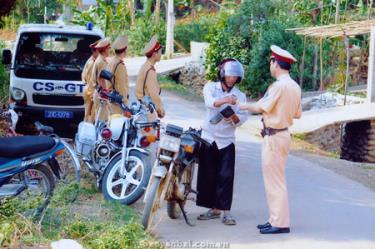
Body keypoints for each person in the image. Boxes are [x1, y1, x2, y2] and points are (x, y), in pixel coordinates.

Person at [240, 45, 302, 234]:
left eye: (271, 61)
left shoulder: (279, 86)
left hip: (274, 136)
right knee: (274, 179)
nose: (270, 65)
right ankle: (274, 218)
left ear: (275, 63)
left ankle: (280, 223)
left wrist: (241, 105)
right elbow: (298, 114)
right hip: (282, 134)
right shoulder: (294, 86)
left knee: (275, 181)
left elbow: (261, 106)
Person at [196, 59, 248, 226]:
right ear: (222, 74)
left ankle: (226, 212)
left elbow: (242, 119)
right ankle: (213, 209)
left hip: (227, 140)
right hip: (208, 137)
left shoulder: (240, 96)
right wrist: (226, 100)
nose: (232, 78)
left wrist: (233, 117)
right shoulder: (210, 87)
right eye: (230, 74)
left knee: (226, 176)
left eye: (235, 76)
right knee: (208, 175)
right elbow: (209, 103)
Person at [135, 35, 165, 118]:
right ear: (154, 54)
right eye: (160, 52)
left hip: (143, 106)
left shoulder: (145, 66)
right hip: (148, 108)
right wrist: (160, 109)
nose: (161, 54)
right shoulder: (150, 70)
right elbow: (153, 93)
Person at [107, 35, 129, 115]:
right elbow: (121, 86)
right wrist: (125, 101)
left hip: (111, 98)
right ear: (125, 50)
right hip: (118, 103)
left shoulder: (112, 61)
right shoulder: (119, 65)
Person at [90, 38, 111, 123]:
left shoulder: (101, 60)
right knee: (102, 121)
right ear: (105, 49)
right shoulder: (101, 62)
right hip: (102, 94)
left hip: (101, 93)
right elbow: (103, 80)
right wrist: (106, 93)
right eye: (108, 48)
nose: (109, 50)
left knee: (101, 119)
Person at [81, 39, 100, 122]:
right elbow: (92, 79)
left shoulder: (90, 60)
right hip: (91, 91)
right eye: (99, 51)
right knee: (92, 115)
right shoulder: (93, 62)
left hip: (88, 90)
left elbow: (83, 76)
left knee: (87, 114)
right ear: (95, 51)